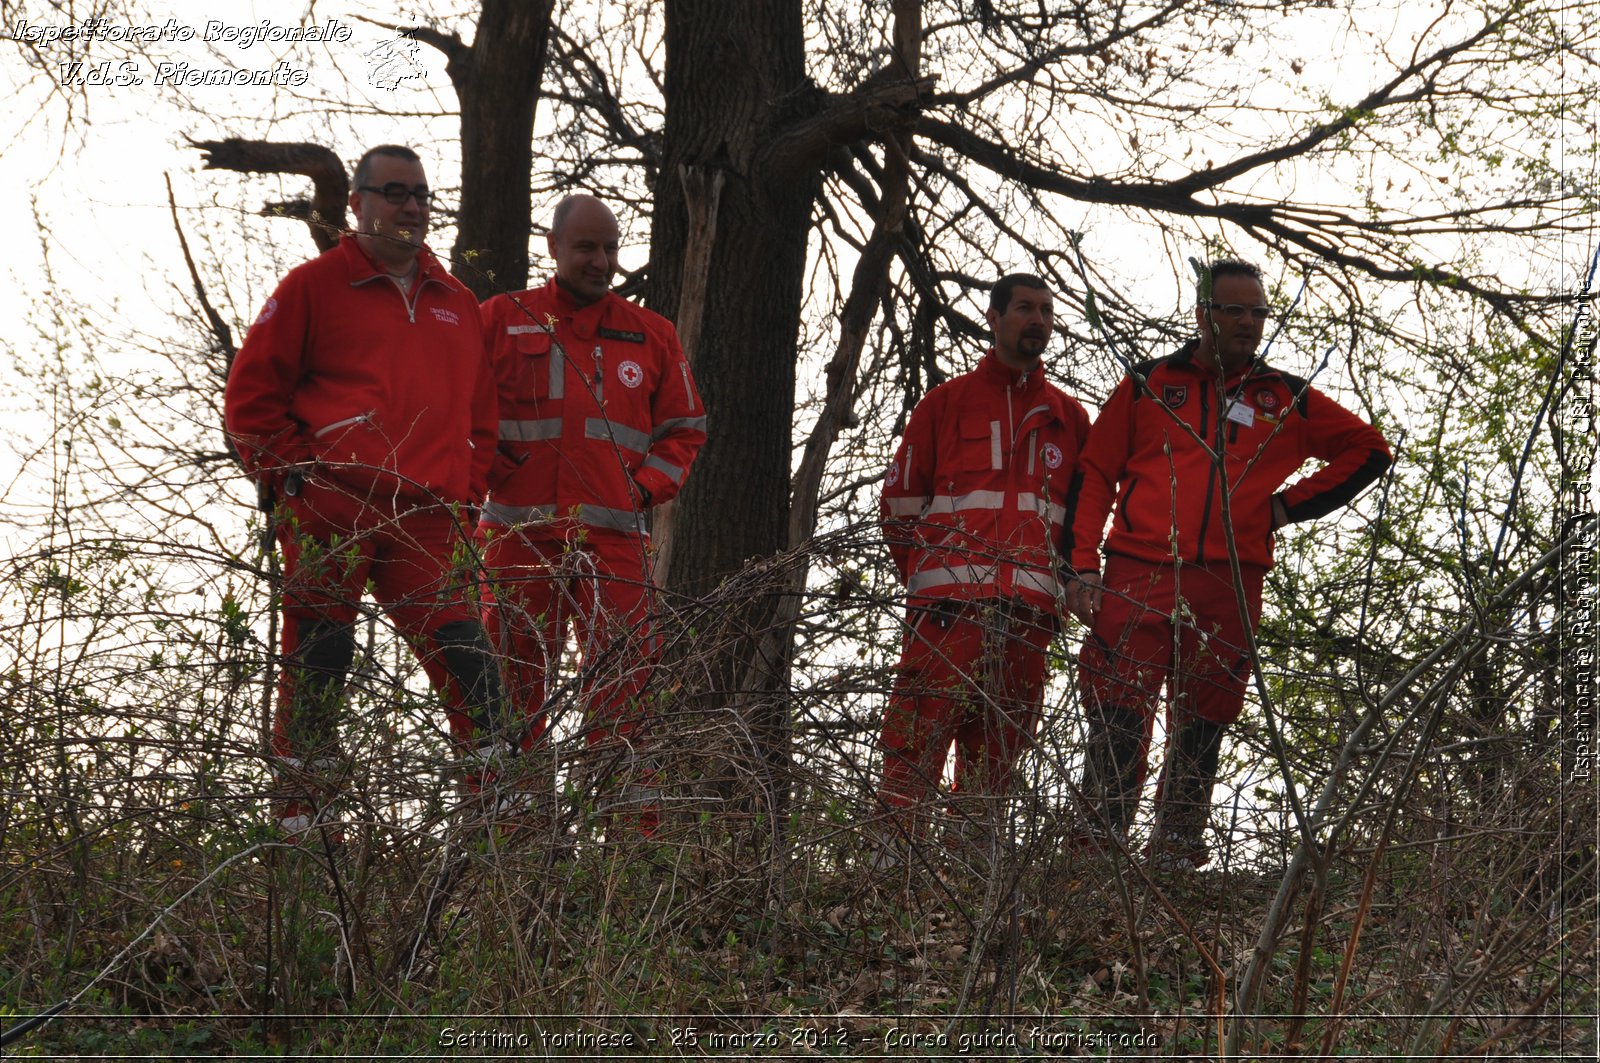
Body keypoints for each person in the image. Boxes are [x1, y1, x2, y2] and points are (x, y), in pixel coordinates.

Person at [1063, 258, 1392, 869]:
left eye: (1258, 312)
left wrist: (1284, 509)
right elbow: (1095, 474)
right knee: (1117, 706)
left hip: (1232, 579)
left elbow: (1369, 450)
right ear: (1203, 315)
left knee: (1205, 715)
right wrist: (1080, 568)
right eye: (1234, 309)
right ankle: (1095, 852)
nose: (1248, 322)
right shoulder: (1149, 382)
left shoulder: (1282, 396)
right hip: (1140, 568)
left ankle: (1177, 852)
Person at [225, 145, 510, 840]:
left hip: (430, 521)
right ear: (356, 204)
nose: (412, 206)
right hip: (335, 507)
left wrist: (464, 498)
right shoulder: (312, 287)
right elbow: (250, 400)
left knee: (471, 667)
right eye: (394, 193)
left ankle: (499, 834)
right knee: (320, 661)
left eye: (421, 194)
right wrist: (292, 478)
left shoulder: (457, 303)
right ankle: (302, 832)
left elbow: (481, 422)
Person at [477, 194, 706, 832]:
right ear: (553, 248)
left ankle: (627, 854)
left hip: (614, 544)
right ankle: (513, 842)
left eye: (609, 247)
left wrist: (643, 488)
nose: (601, 260)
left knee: (627, 690)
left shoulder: (651, 333)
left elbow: (686, 430)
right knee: (510, 687)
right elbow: (463, 412)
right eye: (586, 247)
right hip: (518, 539)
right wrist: (486, 473)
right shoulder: (501, 318)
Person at [878, 273, 1090, 853]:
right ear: (994, 317)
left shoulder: (1068, 418)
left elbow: (1084, 519)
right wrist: (930, 580)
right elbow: (897, 507)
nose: (1038, 320)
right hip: (948, 613)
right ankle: (887, 872)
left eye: (1047, 311)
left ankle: (970, 882)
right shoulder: (945, 404)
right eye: (1025, 308)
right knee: (914, 741)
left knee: (997, 755)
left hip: (1028, 618)